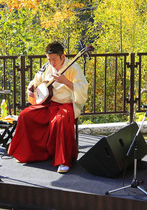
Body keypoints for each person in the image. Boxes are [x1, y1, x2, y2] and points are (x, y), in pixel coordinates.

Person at [8, 41, 88, 173]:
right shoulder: (47, 66)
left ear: (63, 56)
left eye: (54, 59)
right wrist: (31, 89)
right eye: (49, 59)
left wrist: (66, 82)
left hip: (65, 105)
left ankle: (64, 161)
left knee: (60, 121)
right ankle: (30, 154)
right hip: (48, 103)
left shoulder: (74, 68)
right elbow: (36, 81)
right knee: (25, 115)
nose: (51, 62)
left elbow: (83, 88)